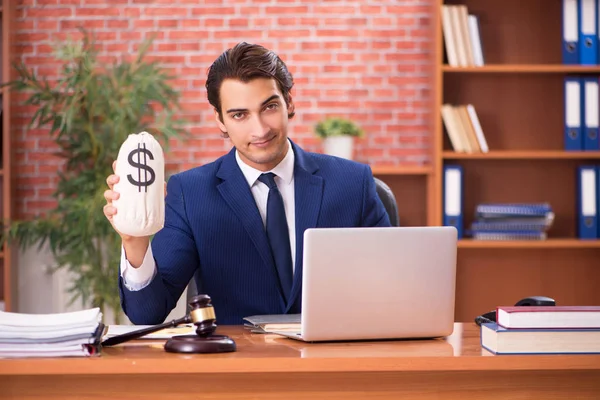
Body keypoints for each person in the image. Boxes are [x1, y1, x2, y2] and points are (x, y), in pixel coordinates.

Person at [104, 42, 391, 325]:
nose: (260, 129)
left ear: (288, 102)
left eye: (269, 107)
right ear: (220, 120)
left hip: (334, 363)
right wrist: (134, 240)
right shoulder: (191, 194)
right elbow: (147, 313)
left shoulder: (353, 184)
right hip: (237, 364)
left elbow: (391, 290)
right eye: (239, 115)